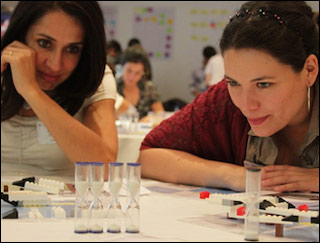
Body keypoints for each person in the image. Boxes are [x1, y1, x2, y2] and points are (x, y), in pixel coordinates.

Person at [138, 1, 319, 193]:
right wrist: (235, 176)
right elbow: (148, 157)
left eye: (263, 84)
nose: (246, 104)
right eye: (234, 83)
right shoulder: (223, 100)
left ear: (309, 71)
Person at [1, 1, 118, 178]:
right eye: (44, 43)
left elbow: (104, 167)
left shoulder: (95, 79)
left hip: (59, 203)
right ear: (21, 35)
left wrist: (31, 91)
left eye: (72, 49)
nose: (55, 65)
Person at [117, 49, 164, 120]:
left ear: (143, 72)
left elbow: (160, 113)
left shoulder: (148, 88)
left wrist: (150, 118)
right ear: (122, 67)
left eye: (137, 73)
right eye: (129, 71)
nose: (132, 77)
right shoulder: (113, 86)